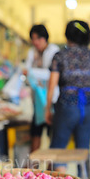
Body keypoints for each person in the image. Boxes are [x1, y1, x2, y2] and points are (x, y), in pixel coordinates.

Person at [45, 20, 90, 171]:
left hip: (66, 107)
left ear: (67, 36)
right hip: (88, 108)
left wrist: (48, 108)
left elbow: (51, 85)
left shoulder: (60, 56)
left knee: (58, 151)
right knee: (83, 152)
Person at [24, 24, 60, 152]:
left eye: (38, 38)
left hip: (52, 100)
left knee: (52, 136)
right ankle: (32, 168)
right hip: (38, 101)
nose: (36, 42)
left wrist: (32, 72)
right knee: (35, 132)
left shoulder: (53, 52)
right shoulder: (32, 53)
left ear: (45, 38)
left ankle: (51, 169)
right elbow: (27, 71)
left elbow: (52, 74)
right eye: (33, 39)